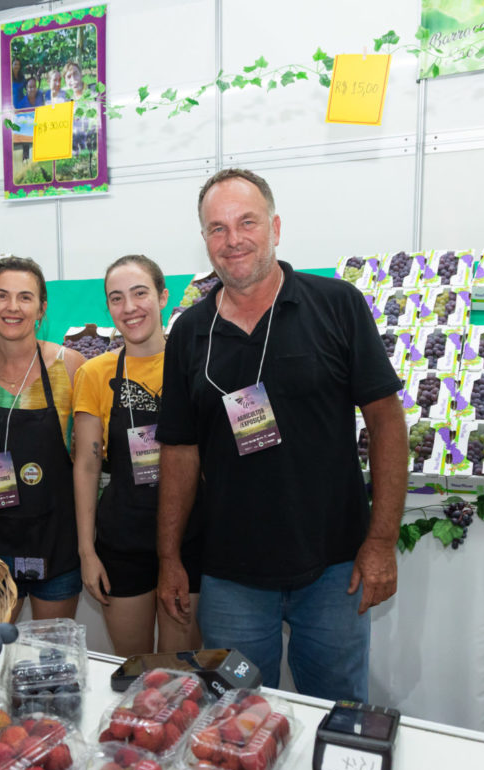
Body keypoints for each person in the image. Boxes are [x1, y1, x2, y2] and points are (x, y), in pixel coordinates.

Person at [155, 168, 407, 701]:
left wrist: (382, 541)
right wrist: (169, 557)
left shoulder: (337, 304)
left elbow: (386, 421)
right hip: (231, 575)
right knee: (234, 718)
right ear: (204, 240)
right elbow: (178, 450)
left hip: (335, 567)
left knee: (338, 710)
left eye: (247, 222)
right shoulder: (189, 333)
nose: (233, 239)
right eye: (218, 228)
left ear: (275, 227)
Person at [72, 255, 203, 657]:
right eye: (117, 298)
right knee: (135, 668)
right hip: (123, 541)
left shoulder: (195, 364)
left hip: (191, 539)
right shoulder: (95, 373)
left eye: (140, 293)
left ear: (163, 297)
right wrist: (87, 551)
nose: (129, 307)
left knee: (179, 669)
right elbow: (87, 465)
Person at [0, 257, 86, 620]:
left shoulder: (70, 367)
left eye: (25, 297)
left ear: (41, 308)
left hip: (56, 540)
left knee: (53, 649)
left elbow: (87, 461)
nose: (12, 307)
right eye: (1, 295)